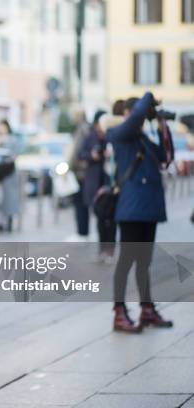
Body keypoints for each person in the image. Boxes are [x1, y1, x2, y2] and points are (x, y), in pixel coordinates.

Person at [108, 92, 173, 333]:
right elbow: (135, 118)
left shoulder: (143, 139)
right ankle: (119, 312)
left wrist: (162, 125)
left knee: (144, 262)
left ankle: (147, 308)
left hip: (148, 209)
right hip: (131, 210)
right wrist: (150, 98)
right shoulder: (120, 134)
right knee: (126, 261)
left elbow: (165, 156)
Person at [78, 110, 116, 263]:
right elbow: (80, 154)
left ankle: (110, 250)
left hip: (110, 183)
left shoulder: (112, 136)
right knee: (100, 219)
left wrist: (110, 154)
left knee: (111, 219)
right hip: (94, 185)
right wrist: (91, 155)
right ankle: (102, 250)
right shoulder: (89, 137)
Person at [68, 110, 91, 240]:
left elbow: (76, 152)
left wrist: (70, 166)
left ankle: (82, 232)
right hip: (81, 171)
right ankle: (83, 231)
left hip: (80, 172)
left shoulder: (82, 130)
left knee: (80, 203)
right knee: (81, 203)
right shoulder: (84, 129)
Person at [0, 119, 20, 231]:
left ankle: (9, 222)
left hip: (9, 172)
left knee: (10, 198)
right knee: (0, 199)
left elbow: (14, 155)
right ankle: (1, 222)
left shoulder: (12, 139)